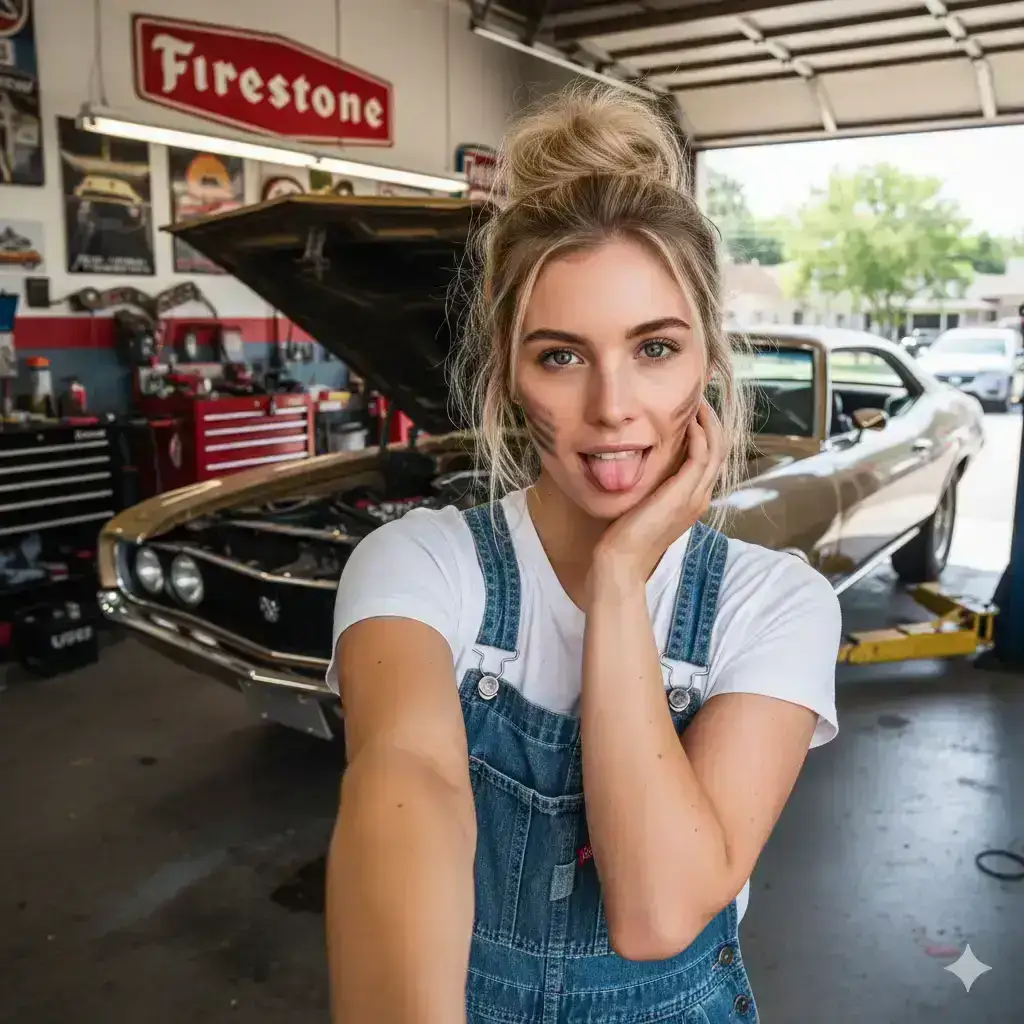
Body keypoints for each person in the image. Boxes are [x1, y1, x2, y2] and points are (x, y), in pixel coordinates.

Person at [324, 83, 841, 1023]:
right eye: (561, 355)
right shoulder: (419, 567)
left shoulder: (777, 605)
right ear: (509, 372)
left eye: (655, 348)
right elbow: (410, 782)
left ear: (709, 362)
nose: (612, 407)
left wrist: (616, 581)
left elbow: (656, 912)